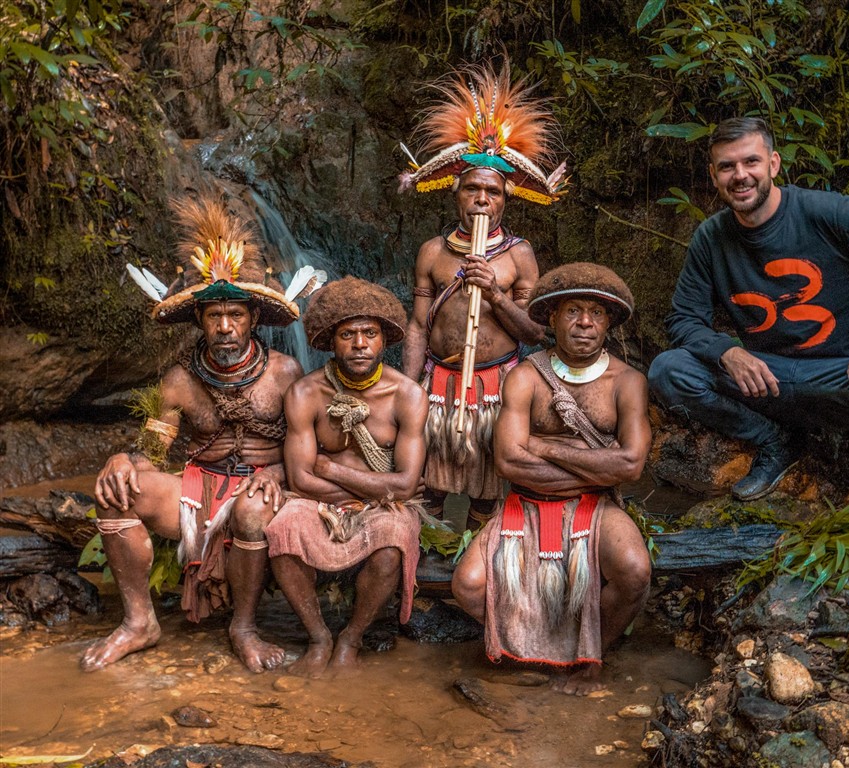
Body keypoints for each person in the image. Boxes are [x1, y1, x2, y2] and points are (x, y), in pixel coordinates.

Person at [648, 116, 849, 512]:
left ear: (773, 164)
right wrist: (727, 351)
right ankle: (774, 442)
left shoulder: (827, 213)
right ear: (713, 175)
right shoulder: (712, 238)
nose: (740, 175)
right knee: (670, 370)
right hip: (768, 379)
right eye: (727, 166)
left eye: (751, 162)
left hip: (843, 375)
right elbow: (683, 319)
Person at [84, 197, 320, 672]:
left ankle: (243, 628)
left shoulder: (286, 372)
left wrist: (275, 473)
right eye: (214, 316)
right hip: (198, 489)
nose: (225, 327)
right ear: (199, 320)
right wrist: (123, 461)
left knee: (251, 508)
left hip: (268, 489)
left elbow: (307, 453)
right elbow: (153, 452)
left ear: (254, 319)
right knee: (116, 493)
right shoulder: (179, 381)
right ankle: (138, 623)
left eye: (236, 315)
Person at [452, 263, 652, 696]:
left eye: (596, 313)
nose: (585, 322)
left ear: (608, 323)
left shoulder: (627, 382)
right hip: (524, 504)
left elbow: (631, 467)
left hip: (596, 506)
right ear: (553, 318)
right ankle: (527, 647)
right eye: (573, 311)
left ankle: (591, 656)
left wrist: (544, 448)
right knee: (466, 585)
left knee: (635, 571)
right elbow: (509, 462)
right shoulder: (525, 376)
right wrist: (593, 463)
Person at [400, 60, 566, 530]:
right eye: (472, 189)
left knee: (488, 487)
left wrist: (494, 292)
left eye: (492, 192)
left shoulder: (519, 255)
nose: (481, 200)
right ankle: (427, 550)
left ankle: (478, 551)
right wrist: (408, 389)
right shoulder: (433, 251)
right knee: (429, 484)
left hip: (495, 385)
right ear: (455, 193)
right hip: (438, 381)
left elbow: (534, 332)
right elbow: (417, 325)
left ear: (504, 199)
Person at [265, 277, 429, 678]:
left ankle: (351, 639)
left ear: (383, 340)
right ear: (330, 342)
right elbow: (300, 481)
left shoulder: (407, 395)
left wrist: (330, 467)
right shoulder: (305, 393)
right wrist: (372, 488)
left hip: (382, 505)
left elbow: (406, 485)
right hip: (323, 500)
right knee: (283, 529)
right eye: (347, 335)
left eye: (369, 334)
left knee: (391, 541)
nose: (359, 344)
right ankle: (318, 637)